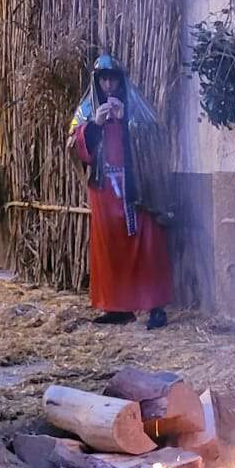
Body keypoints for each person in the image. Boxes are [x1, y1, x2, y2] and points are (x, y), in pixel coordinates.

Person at [67, 53, 172, 328]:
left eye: (113, 79)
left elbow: (153, 135)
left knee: (146, 244)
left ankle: (155, 307)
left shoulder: (135, 107)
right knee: (110, 249)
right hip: (104, 190)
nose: (109, 86)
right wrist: (93, 127)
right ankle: (117, 307)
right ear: (97, 82)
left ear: (120, 80)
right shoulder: (87, 109)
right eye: (104, 80)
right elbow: (72, 145)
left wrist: (128, 122)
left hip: (136, 187)